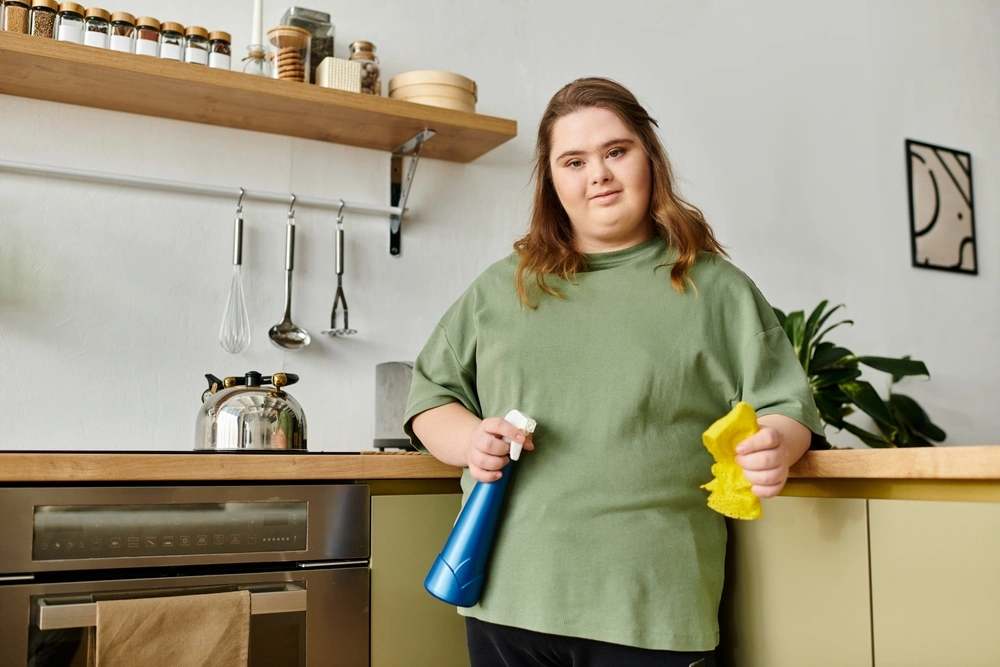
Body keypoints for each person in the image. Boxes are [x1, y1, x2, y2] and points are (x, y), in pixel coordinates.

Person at [403, 77, 824, 667]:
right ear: (552, 181)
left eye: (616, 152)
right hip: (504, 599)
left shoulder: (718, 290)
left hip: (654, 608)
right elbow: (430, 398)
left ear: (649, 159)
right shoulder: (504, 287)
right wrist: (469, 440)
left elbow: (788, 407)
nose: (597, 173)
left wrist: (776, 442)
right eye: (573, 161)